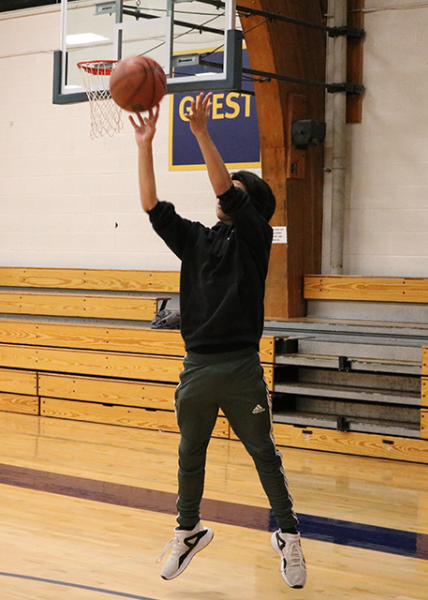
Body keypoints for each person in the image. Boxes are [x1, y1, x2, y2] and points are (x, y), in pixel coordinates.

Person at [132, 94, 306, 588]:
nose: (225, 193)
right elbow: (151, 206)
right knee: (190, 452)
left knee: (264, 456)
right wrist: (145, 145)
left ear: (251, 205)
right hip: (198, 366)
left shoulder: (255, 238)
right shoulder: (196, 240)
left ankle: (288, 536)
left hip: (241, 367)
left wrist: (203, 133)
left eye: (237, 191)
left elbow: (228, 191)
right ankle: (188, 531)